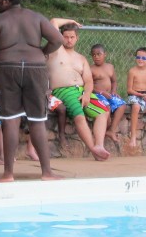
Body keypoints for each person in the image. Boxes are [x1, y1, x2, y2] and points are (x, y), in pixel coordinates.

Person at [0, 0, 64, 181]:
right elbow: (57, 39)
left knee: (10, 120)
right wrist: (42, 52)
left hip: (7, 69)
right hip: (35, 69)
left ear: (6, 1)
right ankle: (47, 172)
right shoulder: (37, 17)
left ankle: (8, 173)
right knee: (37, 120)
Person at [47, 23, 110, 161]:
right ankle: (93, 150)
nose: (69, 40)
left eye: (72, 37)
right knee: (79, 115)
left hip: (82, 90)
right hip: (63, 91)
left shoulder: (81, 58)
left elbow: (88, 80)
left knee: (103, 111)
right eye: (66, 37)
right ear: (60, 37)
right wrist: (72, 21)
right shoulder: (55, 51)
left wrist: (87, 93)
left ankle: (99, 145)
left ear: (77, 38)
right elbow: (53, 22)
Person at [89, 43, 128, 144]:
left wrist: (113, 91)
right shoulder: (91, 69)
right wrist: (101, 92)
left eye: (99, 54)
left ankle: (111, 130)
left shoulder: (110, 67)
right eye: (94, 55)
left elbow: (114, 81)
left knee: (122, 105)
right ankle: (98, 135)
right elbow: (89, 86)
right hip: (97, 95)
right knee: (106, 109)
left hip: (109, 94)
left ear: (105, 54)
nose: (96, 57)